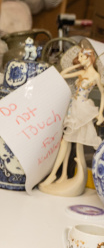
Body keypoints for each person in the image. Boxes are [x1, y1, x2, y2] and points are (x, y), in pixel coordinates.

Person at [40, 39, 104, 196]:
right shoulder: (82, 72)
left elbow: (103, 94)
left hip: (81, 109)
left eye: (82, 56)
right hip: (73, 107)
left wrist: (101, 113)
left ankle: (55, 174)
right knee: (66, 142)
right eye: (80, 56)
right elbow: (63, 74)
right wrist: (76, 65)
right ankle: (60, 175)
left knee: (67, 142)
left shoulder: (95, 76)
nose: (80, 59)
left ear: (89, 58)